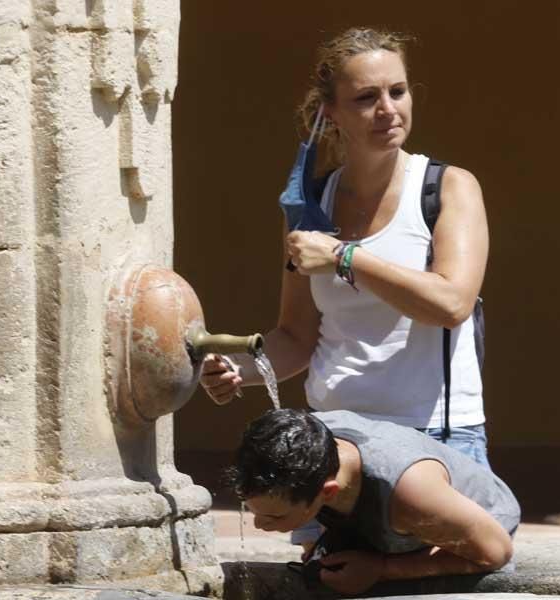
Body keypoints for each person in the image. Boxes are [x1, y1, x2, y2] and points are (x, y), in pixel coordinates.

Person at [200, 27, 490, 464]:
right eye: (366, 98)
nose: (388, 109)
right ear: (328, 112)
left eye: (398, 91)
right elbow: (297, 337)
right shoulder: (309, 206)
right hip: (333, 437)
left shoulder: (447, 188)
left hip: (435, 436)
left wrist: (343, 257)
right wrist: (240, 371)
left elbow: (451, 304)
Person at [230, 409, 520, 596]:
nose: (259, 525)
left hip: (476, 529)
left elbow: (495, 554)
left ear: (328, 493)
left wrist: (381, 569)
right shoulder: (305, 440)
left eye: (275, 518)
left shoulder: (411, 496)